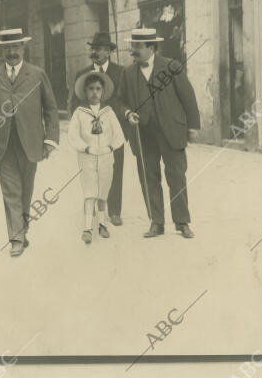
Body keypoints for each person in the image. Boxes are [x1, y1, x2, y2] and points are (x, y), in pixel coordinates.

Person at [0, 28, 60, 257]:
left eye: (15, 47)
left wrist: (51, 139)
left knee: (26, 191)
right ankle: (16, 238)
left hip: (30, 142)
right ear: (1, 51)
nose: (12, 52)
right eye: (7, 48)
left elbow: (51, 108)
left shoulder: (36, 74)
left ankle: (22, 230)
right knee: (10, 192)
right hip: (1, 143)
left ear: (23, 48)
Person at [117, 27, 200, 239]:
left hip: (172, 130)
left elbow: (188, 97)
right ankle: (157, 222)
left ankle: (182, 222)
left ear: (151, 47)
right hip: (143, 134)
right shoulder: (127, 73)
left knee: (177, 177)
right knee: (148, 177)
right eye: (133, 46)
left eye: (138, 47)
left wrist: (193, 127)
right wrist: (127, 114)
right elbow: (121, 101)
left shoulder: (172, 67)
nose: (133, 50)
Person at [69, 31, 127, 226]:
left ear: (108, 52)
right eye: (92, 48)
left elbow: (124, 101)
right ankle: (92, 207)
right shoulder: (82, 74)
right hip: (89, 135)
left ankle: (115, 210)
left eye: (99, 49)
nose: (94, 52)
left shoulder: (120, 73)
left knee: (114, 169)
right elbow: (74, 104)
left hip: (112, 132)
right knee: (90, 171)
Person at [68, 71, 125, 244]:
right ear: (85, 92)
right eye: (91, 89)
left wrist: (110, 147)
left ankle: (102, 224)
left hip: (106, 157)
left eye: (98, 89)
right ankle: (87, 227)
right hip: (87, 157)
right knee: (89, 191)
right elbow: (73, 135)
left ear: (103, 91)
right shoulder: (79, 112)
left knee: (103, 191)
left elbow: (119, 135)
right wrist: (86, 147)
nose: (94, 92)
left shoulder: (108, 112)